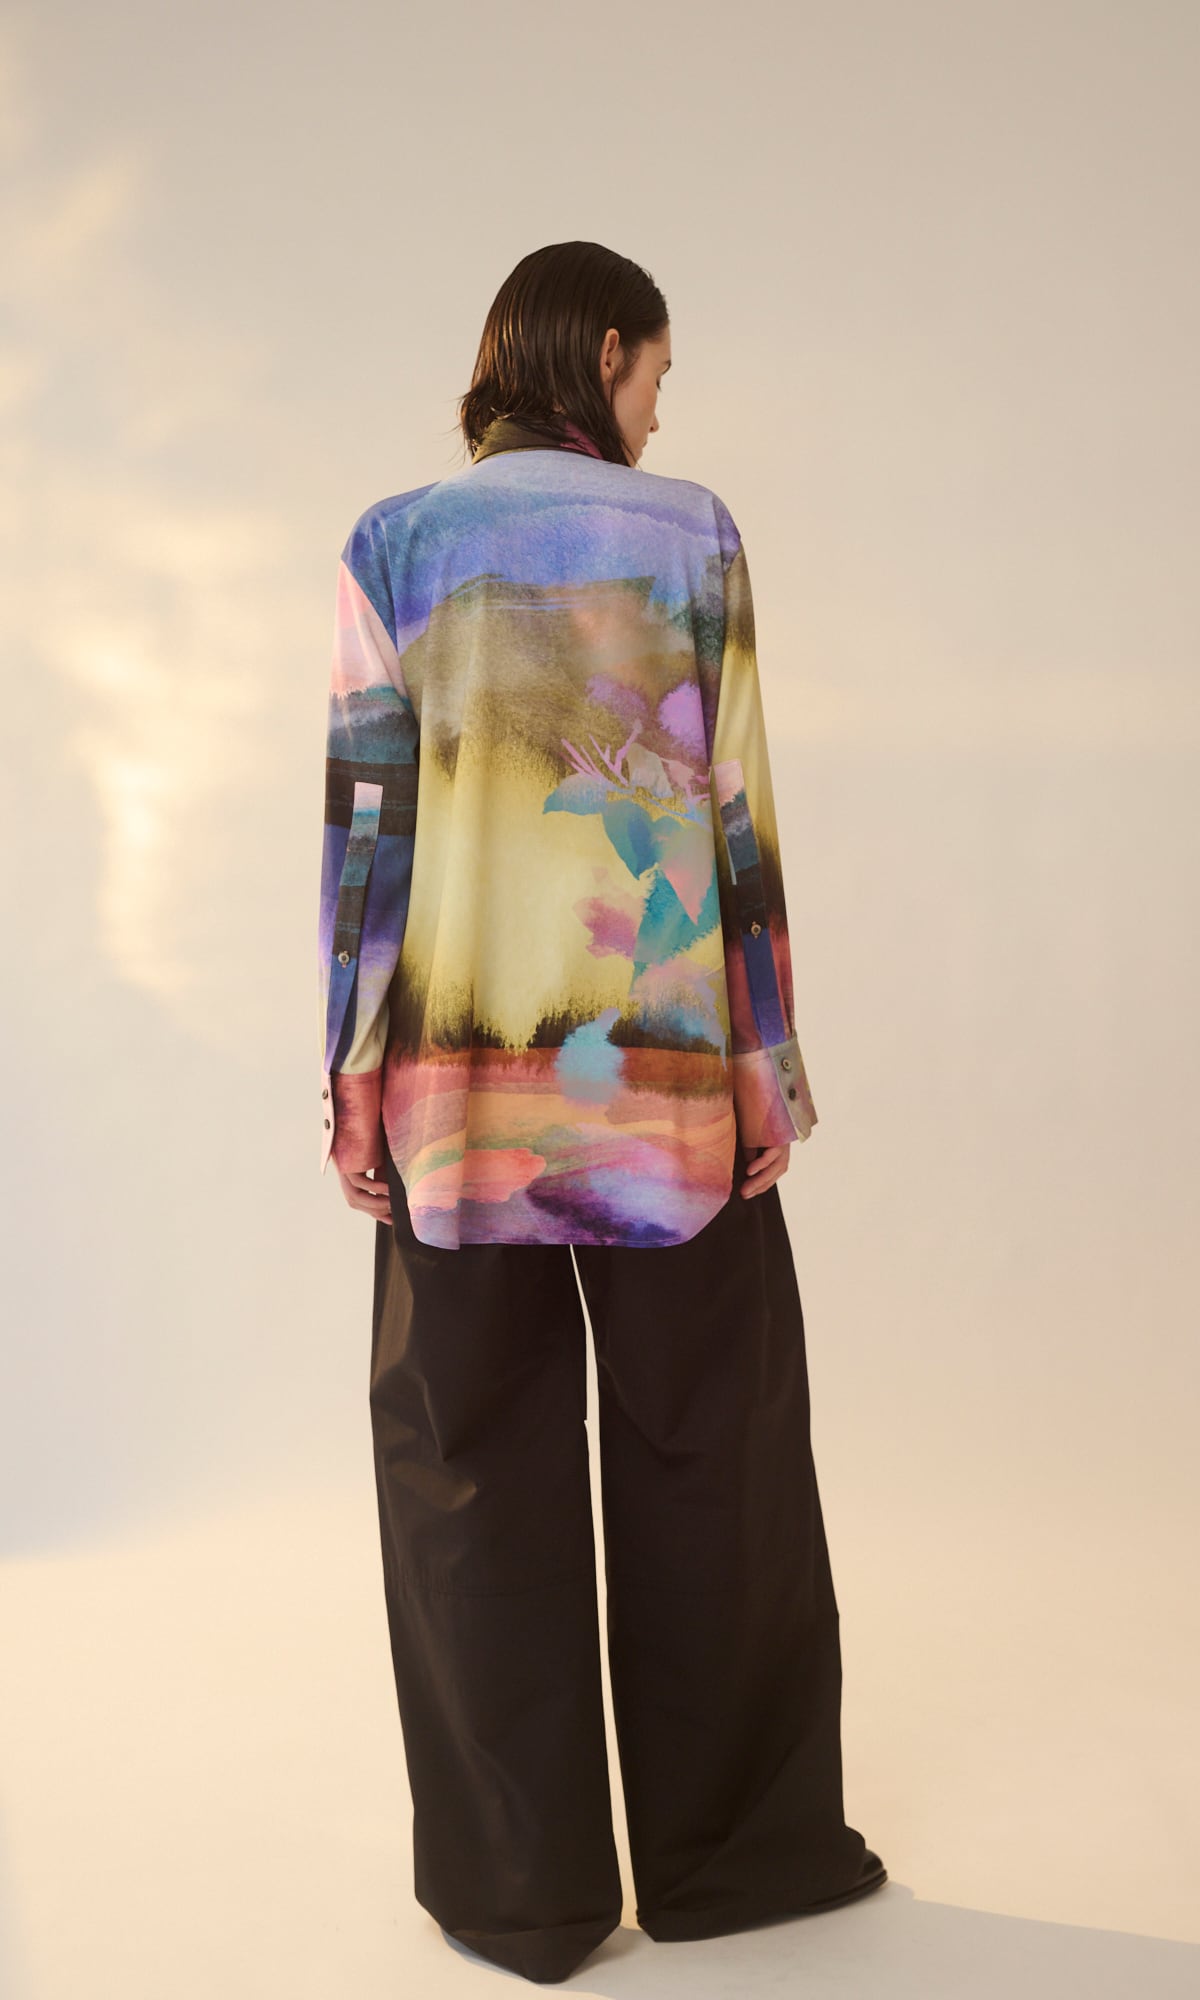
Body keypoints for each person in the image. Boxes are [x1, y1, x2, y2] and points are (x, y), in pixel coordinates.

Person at [316, 239, 886, 1984]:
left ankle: (522, 1898)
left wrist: (353, 1068)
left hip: (454, 1101)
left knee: (466, 1478)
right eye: (656, 377)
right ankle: (736, 1867)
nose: (658, 413)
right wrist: (766, 1059)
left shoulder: (393, 543)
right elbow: (735, 818)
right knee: (714, 1458)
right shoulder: (689, 534)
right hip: (666, 1098)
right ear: (608, 350)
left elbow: (366, 831)